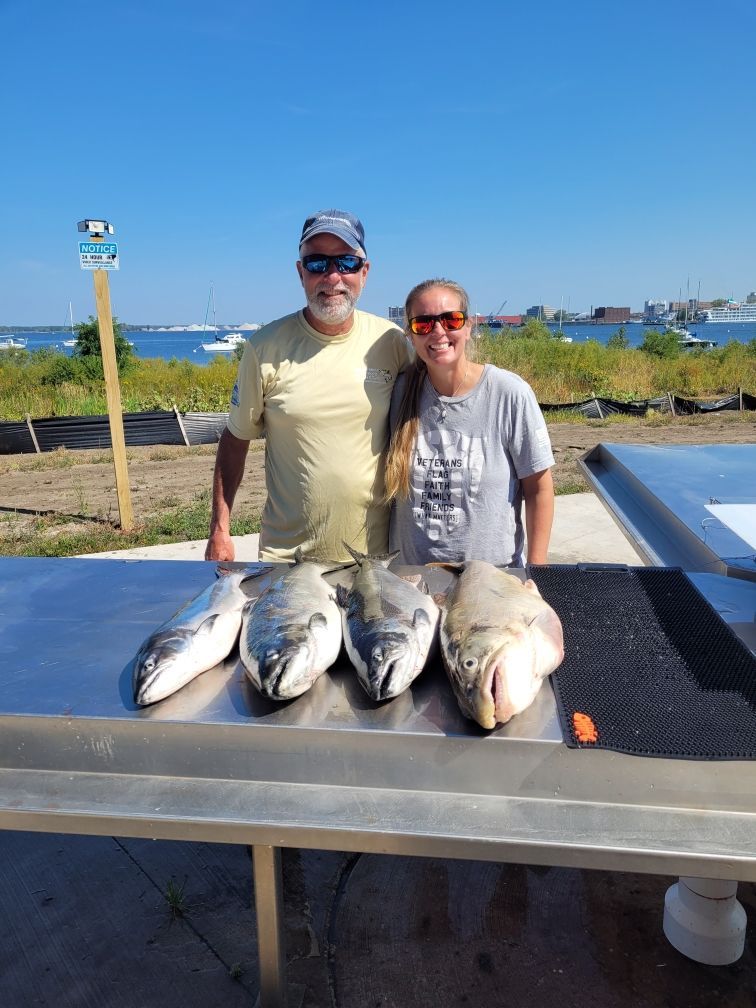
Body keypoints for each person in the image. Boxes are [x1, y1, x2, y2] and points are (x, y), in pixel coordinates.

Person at [205, 209, 411, 564]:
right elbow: (235, 439)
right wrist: (219, 530)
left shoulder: (392, 343)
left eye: (346, 262)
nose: (333, 277)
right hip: (288, 561)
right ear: (300, 272)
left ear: (365, 272)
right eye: (317, 263)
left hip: (375, 561)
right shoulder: (264, 348)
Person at [385, 278, 554, 567]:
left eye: (451, 320)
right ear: (411, 335)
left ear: (468, 327)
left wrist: (537, 573)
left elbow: (539, 488)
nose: (438, 331)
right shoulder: (399, 393)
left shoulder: (508, 393)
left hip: (491, 579)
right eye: (423, 323)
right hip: (412, 579)